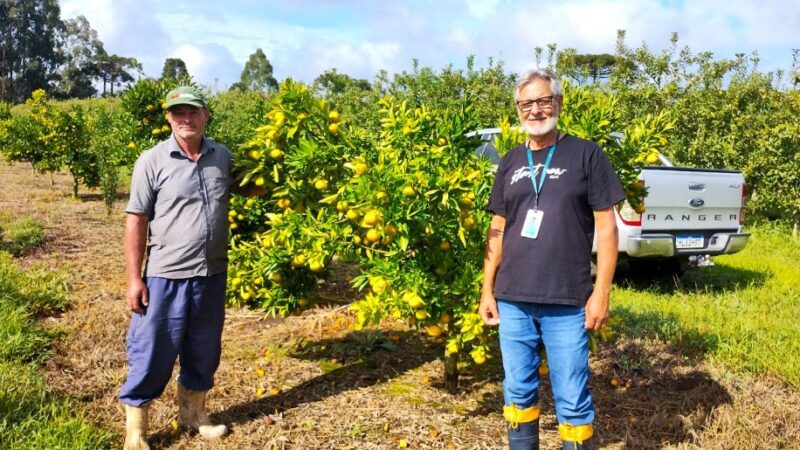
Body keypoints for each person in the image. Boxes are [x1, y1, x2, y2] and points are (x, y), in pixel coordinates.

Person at [479, 69, 625, 450]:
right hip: (512, 299)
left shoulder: (587, 154)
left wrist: (601, 293)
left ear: (558, 104)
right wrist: (487, 290)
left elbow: (607, 229)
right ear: (518, 109)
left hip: (567, 300)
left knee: (573, 401)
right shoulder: (510, 161)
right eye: (526, 104)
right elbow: (498, 227)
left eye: (543, 101)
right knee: (517, 392)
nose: (535, 110)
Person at [120, 86, 232, 449]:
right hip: (166, 276)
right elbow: (136, 221)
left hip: (211, 275)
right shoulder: (151, 161)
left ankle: (193, 414)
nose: (186, 118)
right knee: (152, 351)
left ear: (206, 115)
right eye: (178, 112)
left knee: (204, 350)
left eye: (193, 111)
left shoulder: (223, 157)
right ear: (168, 117)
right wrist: (135, 278)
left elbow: (255, 189)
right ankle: (136, 431)